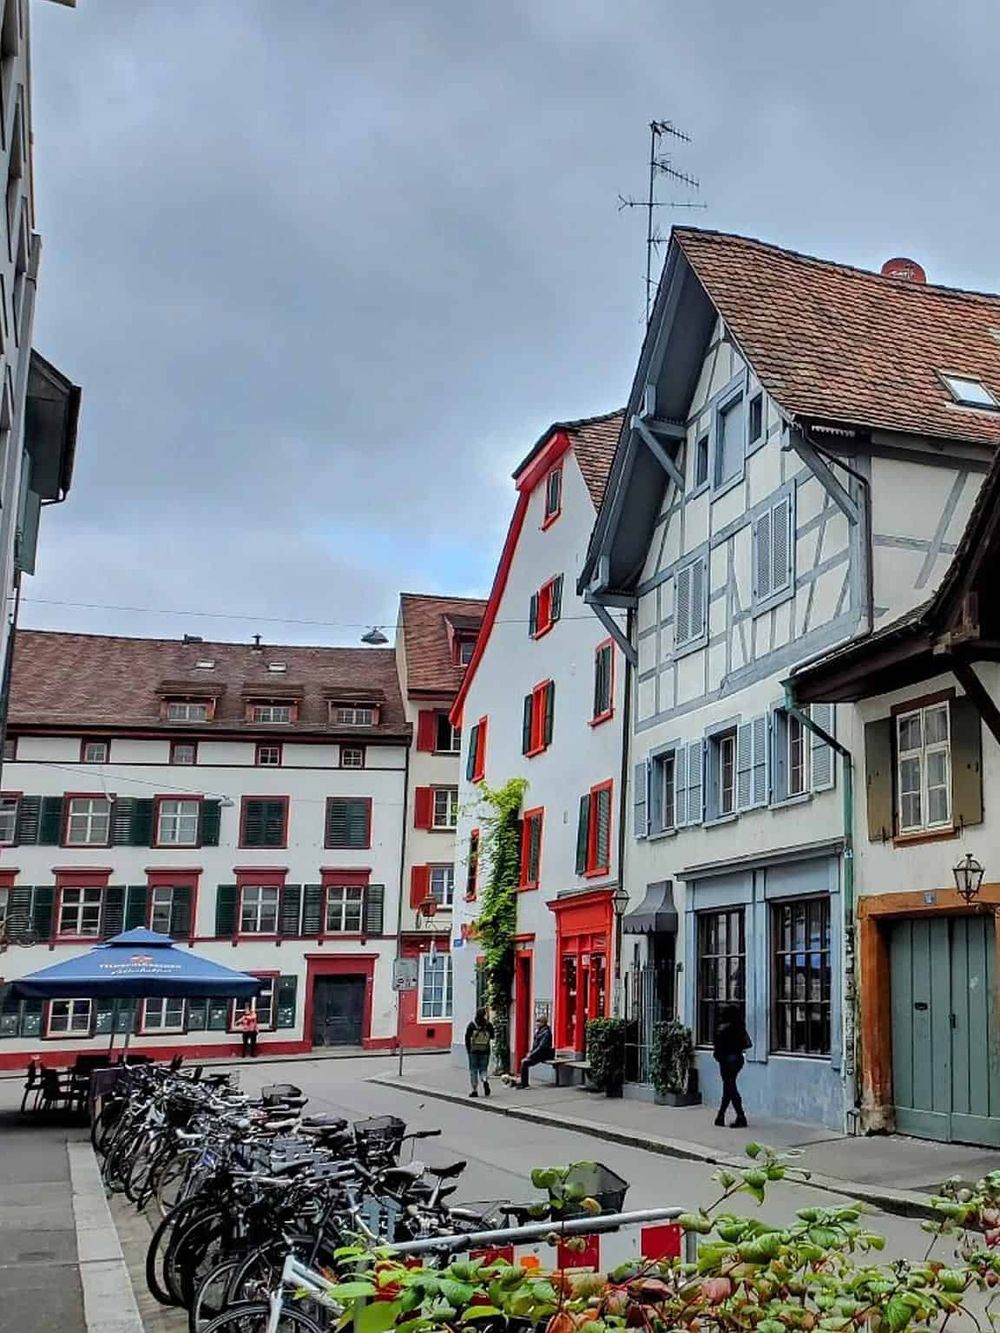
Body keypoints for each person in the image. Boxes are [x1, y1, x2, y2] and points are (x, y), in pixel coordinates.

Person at [712, 1003, 751, 1127]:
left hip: (726, 1060)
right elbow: (745, 1044)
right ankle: (721, 1115)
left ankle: (740, 1116)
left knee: (729, 1087)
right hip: (737, 1059)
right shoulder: (739, 1026)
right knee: (729, 1087)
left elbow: (718, 1046)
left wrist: (718, 1055)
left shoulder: (722, 1028)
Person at [517, 1014, 554, 1088]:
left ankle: (524, 1084)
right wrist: (531, 1052)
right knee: (524, 1061)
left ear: (543, 1023)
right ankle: (523, 1082)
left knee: (525, 1062)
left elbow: (541, 1047)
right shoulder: (539, 1031)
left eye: (539, 1022)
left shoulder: (546, 1032)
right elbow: (535, 1045)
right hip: (539, 1053)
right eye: (537, 1021)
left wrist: (531, 1054)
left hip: (544, 1054)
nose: (537, 1023)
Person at [464, 1007, 494, 1098]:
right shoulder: (488, 1025)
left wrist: (468, 1050)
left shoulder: (472, 1025)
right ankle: (484, 1081)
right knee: (483, 1069)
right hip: (485, 1051)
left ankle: (474, 1090)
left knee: (473, 1070)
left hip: (473, 1051)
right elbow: (492, 1036)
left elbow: (467, 1038)